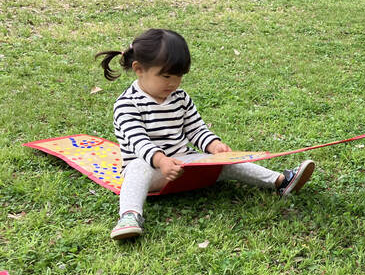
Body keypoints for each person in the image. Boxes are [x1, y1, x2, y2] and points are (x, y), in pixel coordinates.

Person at [96, 29, 316, 241]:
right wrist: (161, 160)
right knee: (137, 169)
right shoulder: (127, 104)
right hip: (153, 171)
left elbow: (195, 128)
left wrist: (213, 146)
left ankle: (280, 181)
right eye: (166, 76)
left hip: (186, 165)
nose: (173, 83)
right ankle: (129, 216)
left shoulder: (179, 97)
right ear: (139, 69)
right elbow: (138, 142)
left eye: (179, 76)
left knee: (225, 161)